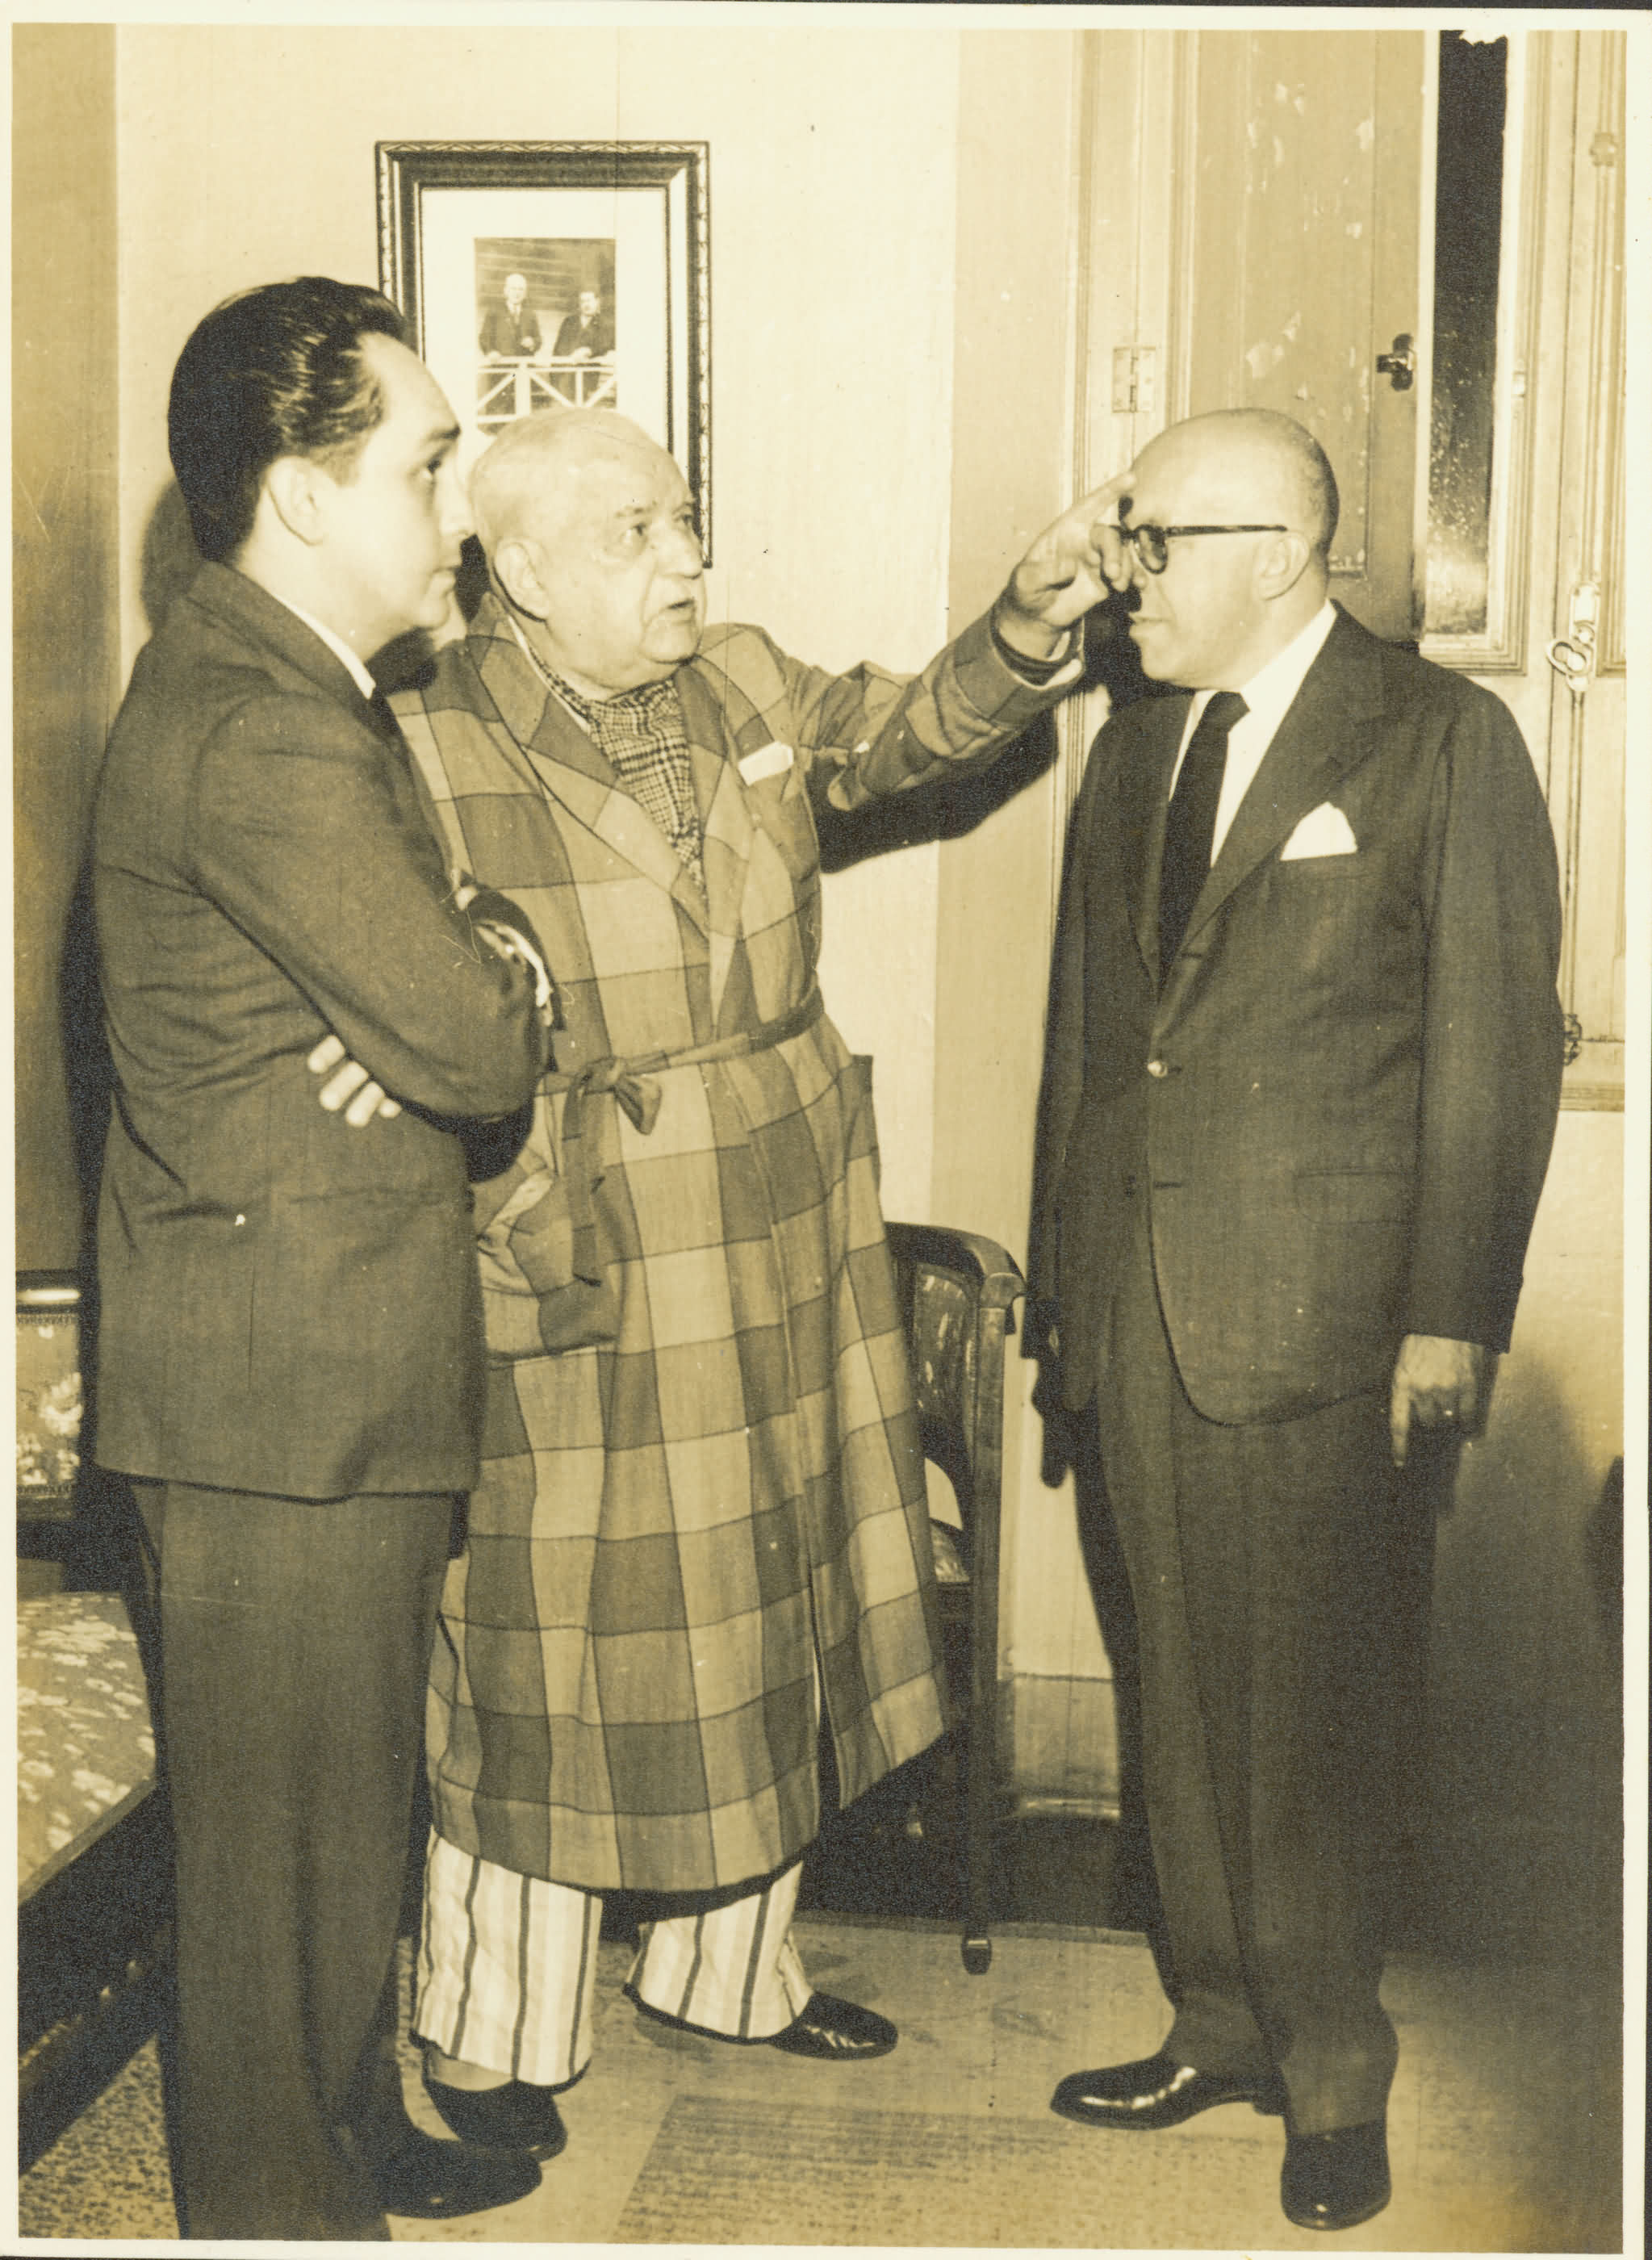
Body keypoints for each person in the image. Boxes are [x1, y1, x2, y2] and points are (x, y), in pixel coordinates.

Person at [379, 408, 1126, 2157]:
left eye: (683, 519)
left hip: (785, 1210)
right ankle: (490, 2029)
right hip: (581, 1234)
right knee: (554, 1634)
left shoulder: (738, 676)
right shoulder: (418, 739)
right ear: (521, 570)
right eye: (635, 532)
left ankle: (730, 1972)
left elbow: (906, 731)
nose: (686, 558)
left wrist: (1027, 618)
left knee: (771, 1595)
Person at [1027, 408, 1564, 2233]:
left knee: (1313, 1720)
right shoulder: (1132, 748)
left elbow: (1492, 1055)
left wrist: (1450, 1320)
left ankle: (1334, 2075)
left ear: (1275, 551)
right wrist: (1066, 1296)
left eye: (1154, 540)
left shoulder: (1438, 740)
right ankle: (1216, 2020)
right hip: (1137, 1311)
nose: (1125, 574)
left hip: (1329, 1327)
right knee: (1176, 1699)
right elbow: (1089, 1044)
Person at [92, 276, 556, 2240]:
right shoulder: (262, 729)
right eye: (427, 467)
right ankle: (281, 2210)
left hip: (310, 1380)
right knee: (282, 1868)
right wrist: (459, 994)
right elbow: (473, 1040)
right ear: (299, 492)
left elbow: (456, 976)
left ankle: (348, 2131)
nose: (457, 511)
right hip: (276, 1401)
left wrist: (459, 976)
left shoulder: (293, 686)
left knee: (345, 1819)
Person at [479, 271, 542, 361]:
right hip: (501, 364)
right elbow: (484, 338)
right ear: (506, 291)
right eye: (513, 289)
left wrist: (533, 342)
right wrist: (491, 352)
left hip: (524, 365)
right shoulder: (494, 312)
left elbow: (538, 339)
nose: (517, 293)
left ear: (525, 293)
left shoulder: (530, 314)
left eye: (521, 289)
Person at [553, 284, 614, 361]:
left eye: (589, 301)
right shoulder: (569, 322)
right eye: (583, 301)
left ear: (597, 302)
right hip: (568, 365)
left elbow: (605, 346)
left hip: (591, 366)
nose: (586, 305)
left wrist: (589, 351)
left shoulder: (605, 324)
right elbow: (558, 349)